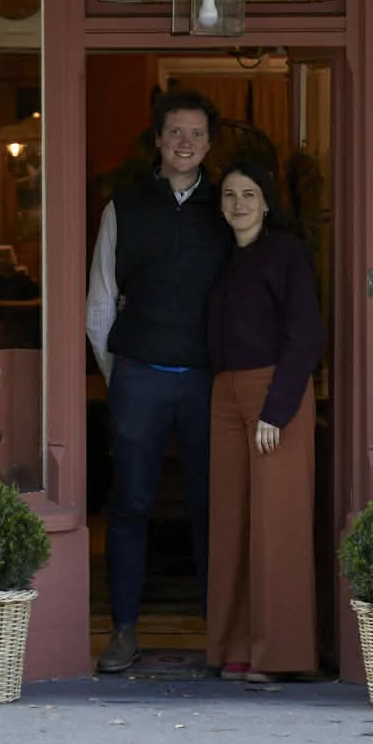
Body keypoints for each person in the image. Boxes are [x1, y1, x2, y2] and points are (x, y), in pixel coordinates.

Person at [86, 89, 231, 673]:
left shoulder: (227, 208)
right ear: (158, 139)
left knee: (210, 507)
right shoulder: (124, 207)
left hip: (205, 381)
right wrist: (119, 374)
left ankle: (219, 636)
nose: (186, 143)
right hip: (139, 375)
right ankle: (123, 631)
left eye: (196, 134)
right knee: (129, 507)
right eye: (175, 132)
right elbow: (100, 302)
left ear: (209, 143)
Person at [206, 159, 325, 683]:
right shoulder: (226, 259)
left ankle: (279, 655)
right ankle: (236, 646)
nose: (238, 204)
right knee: (232, 521)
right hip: (225, 395)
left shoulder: (286, 254)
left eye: (249, 194)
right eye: (230, 194)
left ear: (267, 201)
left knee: (277, 524)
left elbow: (307, 336)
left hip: (277, 394)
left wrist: (276, 409)